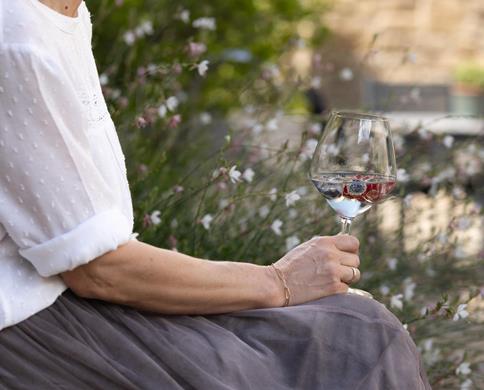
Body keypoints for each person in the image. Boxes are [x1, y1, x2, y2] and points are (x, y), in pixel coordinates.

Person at [0, 1, 431, 389]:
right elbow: (97, 270)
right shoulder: (20, 37)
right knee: (356, 343)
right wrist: (279, 281)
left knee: (358, 329)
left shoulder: (64, 16)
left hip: (81, 305)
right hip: (37, 327)